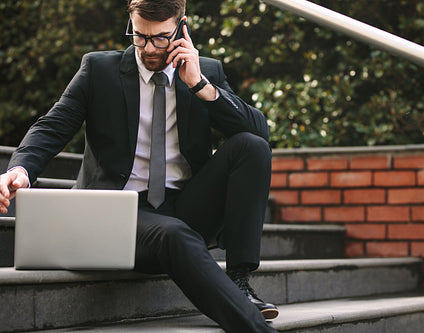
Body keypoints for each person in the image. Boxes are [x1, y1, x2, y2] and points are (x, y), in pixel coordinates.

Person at [0, 0, 279, 332]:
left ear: (182, 28)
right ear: (131, 23)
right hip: (117, 214)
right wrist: (21, 169)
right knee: (173, 234)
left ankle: (239, 281)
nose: (148, 48)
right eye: (140, 36)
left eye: (160, 38)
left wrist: (201, 86)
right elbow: (52, 125)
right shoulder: (98, 70)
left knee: (252, 147)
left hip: (186, 208)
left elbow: (259, 133)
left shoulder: (206, 71)